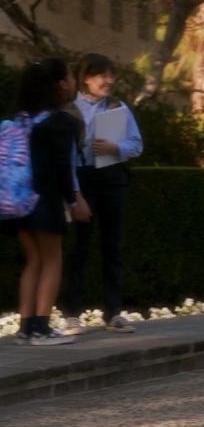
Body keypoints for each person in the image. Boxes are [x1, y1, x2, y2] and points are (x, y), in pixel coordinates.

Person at [1, 58, 91, 346]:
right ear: (60, 84)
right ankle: (42, 328)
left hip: (17, 201)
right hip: (45, 200)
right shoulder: (61, 122)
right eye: (69, 76)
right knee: (53, 260)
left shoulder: (20, 120)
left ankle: (26, 328)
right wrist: (73, 200)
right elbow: (63, 168)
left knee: (33, 261)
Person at [62, 53, 143, 334]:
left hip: (112, 177)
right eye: (102, 76)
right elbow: (65, 156)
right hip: (82, 178)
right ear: (86, 77)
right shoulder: (69, 110)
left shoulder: (118, 107)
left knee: (113, 246)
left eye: (111, 76)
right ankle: (72, 314)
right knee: (78, 247)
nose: (108, 81)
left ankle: (114, 312)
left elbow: (136, 144)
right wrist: (74, 192)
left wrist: (114, 148)